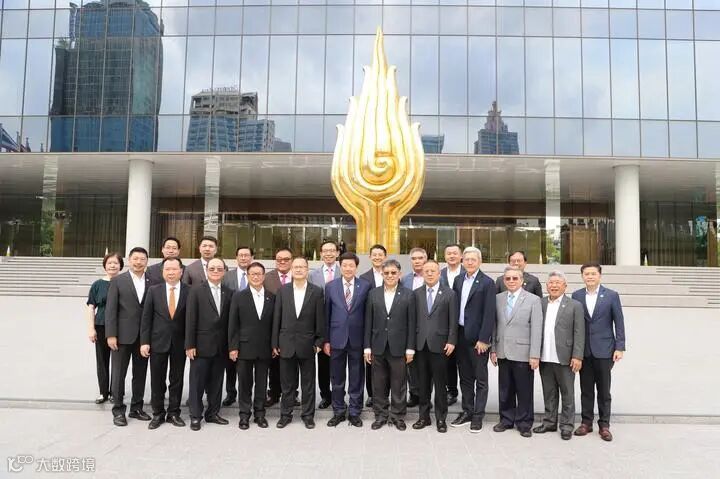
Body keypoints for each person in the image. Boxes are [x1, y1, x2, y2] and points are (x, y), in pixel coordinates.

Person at [571, 262, 626, 442]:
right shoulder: (577, 295)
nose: (590, 277)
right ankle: (586, 422)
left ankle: (604, 425)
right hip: (584, 350)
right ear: (582, 276)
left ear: (599, 275)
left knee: (604, 390)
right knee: (586, 389)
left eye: (593, 273)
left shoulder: (611, 295)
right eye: (586, 274)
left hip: (605, 350)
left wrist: (620, 347)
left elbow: (619, 322)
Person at [272, 257, 326, 429]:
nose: (299, 269)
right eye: (296, 267)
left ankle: (308, 415)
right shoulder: (283, 291)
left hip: (308, 345)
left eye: (302, 267)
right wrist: (275, 342)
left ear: (307, 269)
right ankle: (285, 415)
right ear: (291, 269)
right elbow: (277, 318)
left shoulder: (316, 291)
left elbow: (320, 319)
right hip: (286, 344)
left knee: (308, 384)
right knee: (287, 384)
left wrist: (319, 342)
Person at [490, 266, 543, 438]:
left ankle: (524, 423)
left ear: (522, 280)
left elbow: (537, 329)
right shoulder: (497, 298)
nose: (511, 281)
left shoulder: (533, 300)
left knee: (524, 390)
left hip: (523, 352)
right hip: (503, 351)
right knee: (505, 389)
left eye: (515, 278)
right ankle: (506, 420)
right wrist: (493, 349)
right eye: (508, 278)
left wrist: (534, 354)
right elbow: (494, 325)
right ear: (504, 281)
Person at [364, 259, 416, 431]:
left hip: (399, 347)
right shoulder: (373, 294)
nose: (390, 276)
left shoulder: (408, 294)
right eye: (386, 273)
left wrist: (410, 348)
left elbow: (412, 323)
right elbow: (368, 321)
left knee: (399, 383)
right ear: (382, 274)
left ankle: (398, 416)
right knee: (378, 384)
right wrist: (367, 347)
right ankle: (380, 415)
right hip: (377, 346)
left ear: (399, 274)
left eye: (393, 272)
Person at [533, 271, 585, 441]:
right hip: (545, 356)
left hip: (565, 357)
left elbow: (579, 332)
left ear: (565, 286)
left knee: (567, 393)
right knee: (549, 392)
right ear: (546, 286)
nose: (554, 286)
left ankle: (567, 425)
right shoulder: (540, 303)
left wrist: (577, 356)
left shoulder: (574, 305)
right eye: (551, 283)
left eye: (557, 283)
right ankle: (549, 422)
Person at [324, 252, 372, 428]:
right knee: (336, 377)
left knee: (356, 377)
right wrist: (326, 340)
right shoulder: (331, 286)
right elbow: (327, 314)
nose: (348, 268)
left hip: (357, 339)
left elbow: (368, 316)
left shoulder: (365, 286)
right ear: (340, 266)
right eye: (345, 265)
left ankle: (354, 411)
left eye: (351, 265)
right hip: (336, 338)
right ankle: (338, 410)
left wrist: (367, 344)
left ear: (356, 267)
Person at [105, 247, 152, 426]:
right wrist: (111, 334)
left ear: (147, 261)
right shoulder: (118, 281)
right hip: (122, 336)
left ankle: (136, 408)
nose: (138, 262)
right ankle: (118, 410)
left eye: (142, 259)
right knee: (118, 374)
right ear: (129, 260)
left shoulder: (153, 280)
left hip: (144, 337)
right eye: (135, 258)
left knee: (140, 374)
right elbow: (111, 309)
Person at [140, 257, 188, 429]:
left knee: (177, 379)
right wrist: (144, 342)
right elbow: (146, 318)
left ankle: (174, 413)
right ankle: (158, 413)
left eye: (174, 269)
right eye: (167, 269)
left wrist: (190, 344)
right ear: (162, 272)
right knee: (157, 380)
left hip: (180, 343)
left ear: (181, 271)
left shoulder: (190, 291)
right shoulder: (154, 290)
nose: (171, 272)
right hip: (157, 342)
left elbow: (192, 320)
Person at [451, 246, 495, 433]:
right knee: (465, 377)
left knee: (480, 379)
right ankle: (467, 411)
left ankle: (478, 415)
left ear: (480, 262)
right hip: (460, 335)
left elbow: (489, 313)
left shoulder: (487, 283)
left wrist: (484, 339)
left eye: (473, 259)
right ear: (462, 261)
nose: (469, 262)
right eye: (467, 259)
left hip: (478, 339)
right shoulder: (458, 280)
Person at [185, 257, 232, 431]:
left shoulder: (229, 292)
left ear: (225, 271)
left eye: (219, 269)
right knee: (197, 382)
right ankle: (195, 416)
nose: (216, 271)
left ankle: (212, 413)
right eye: (212, 269)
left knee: (217, 382)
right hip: (200, 345)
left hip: (221, 346)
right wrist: (190, 344)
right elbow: (191, 319)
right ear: (207, 271)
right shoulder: (196, 291)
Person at [228, 262, 275, 430]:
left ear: (264, 276)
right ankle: (244, 415)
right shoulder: (238, 296)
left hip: (264, 348)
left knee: (262, 383)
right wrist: (233, 347)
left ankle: (260, 414)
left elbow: (274, 324)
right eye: (252, 274)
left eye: (259, 274)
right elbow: (233, 323)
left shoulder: (271, 297)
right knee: (245, 383)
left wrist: (274, 345)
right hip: (244, 347)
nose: (256, 277)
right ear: (247, 276)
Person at [412, 260, 457, 433]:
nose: (430, 274)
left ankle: (440, 418)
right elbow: (412, 320)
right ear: (422, 274)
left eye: (433, 271)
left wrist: (452, 341)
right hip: (420, 345)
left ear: (439, 273)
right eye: (427, 271)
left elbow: (453, 320)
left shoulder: (449, 294)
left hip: (441, 345)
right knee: (422, 384)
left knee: (440, 384)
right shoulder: (416, 294)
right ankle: (423, 417)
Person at [86, 252, 123, 404]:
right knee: (102, 360)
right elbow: (91, 307)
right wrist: (91, 328)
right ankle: (103, 392)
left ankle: (115, 392)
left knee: (118, 361)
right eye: (109, 263)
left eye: (115, 263)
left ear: (121, 265)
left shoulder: (124, 282)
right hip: (101, 326)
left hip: (120, 327)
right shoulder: (97, 285)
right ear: (105, 266)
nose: (112, 265)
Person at [221, 246, 255, 407]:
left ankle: (248, 393)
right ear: (236, 258)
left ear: (252, 258)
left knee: (250, 364)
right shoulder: (227, 276)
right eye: (240, 255)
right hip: (231, 323)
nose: (243, 258)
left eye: (247, 255)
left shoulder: (257, 274)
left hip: (252, 326)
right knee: (231, 362)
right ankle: (231, 392)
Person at [307, 239, 340, 410]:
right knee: (323, 363)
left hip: (340, 323)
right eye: (325, 251)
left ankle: (339, 395)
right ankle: (326, 395)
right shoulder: (313, 275)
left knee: (339, 362)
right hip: (320, 323)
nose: (329, 253)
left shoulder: (344, 271)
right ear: (320, 254)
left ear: (337, 253)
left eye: (332, 250)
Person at [263, 247, 296, 407]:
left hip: (294, 328)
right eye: (279, 259)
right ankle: (274, 393)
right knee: (274, 363)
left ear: (292, 261)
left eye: (286, 259)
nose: (282, 262)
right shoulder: (267, 278)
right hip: (272, 326)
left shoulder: (298, 276)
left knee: (293, 363)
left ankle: (293, 394)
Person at [359, 243, 387, 407]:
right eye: (374, 255)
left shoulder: (392, 274)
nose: (377, 257)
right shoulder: (363, 278)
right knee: (371, 361)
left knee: (389, 361)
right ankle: (371, 394)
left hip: (389, 324)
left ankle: (385, 394)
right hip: (371, 325)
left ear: (385, 257)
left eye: (380, 255)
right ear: (370, 257)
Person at [401, 247, 427, 408]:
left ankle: (425, 396)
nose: (417, 261)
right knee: (410, 364)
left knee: (425, 364)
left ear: (425, 259)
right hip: (408, 327)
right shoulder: (404, 279)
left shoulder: (433, 276)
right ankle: (414, 394)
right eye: (414, 258)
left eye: (420, 258)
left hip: (427, 328)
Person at [440, 243, 464, 406]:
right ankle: (451, 391)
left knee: (463, 362)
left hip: (463, 325)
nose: (452, 256)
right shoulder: (439, 273)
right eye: (449, 253)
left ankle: (468, 394)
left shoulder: (467, 273)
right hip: (444, 324)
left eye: (455, 253)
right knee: (448, 360)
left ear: (461, 256)